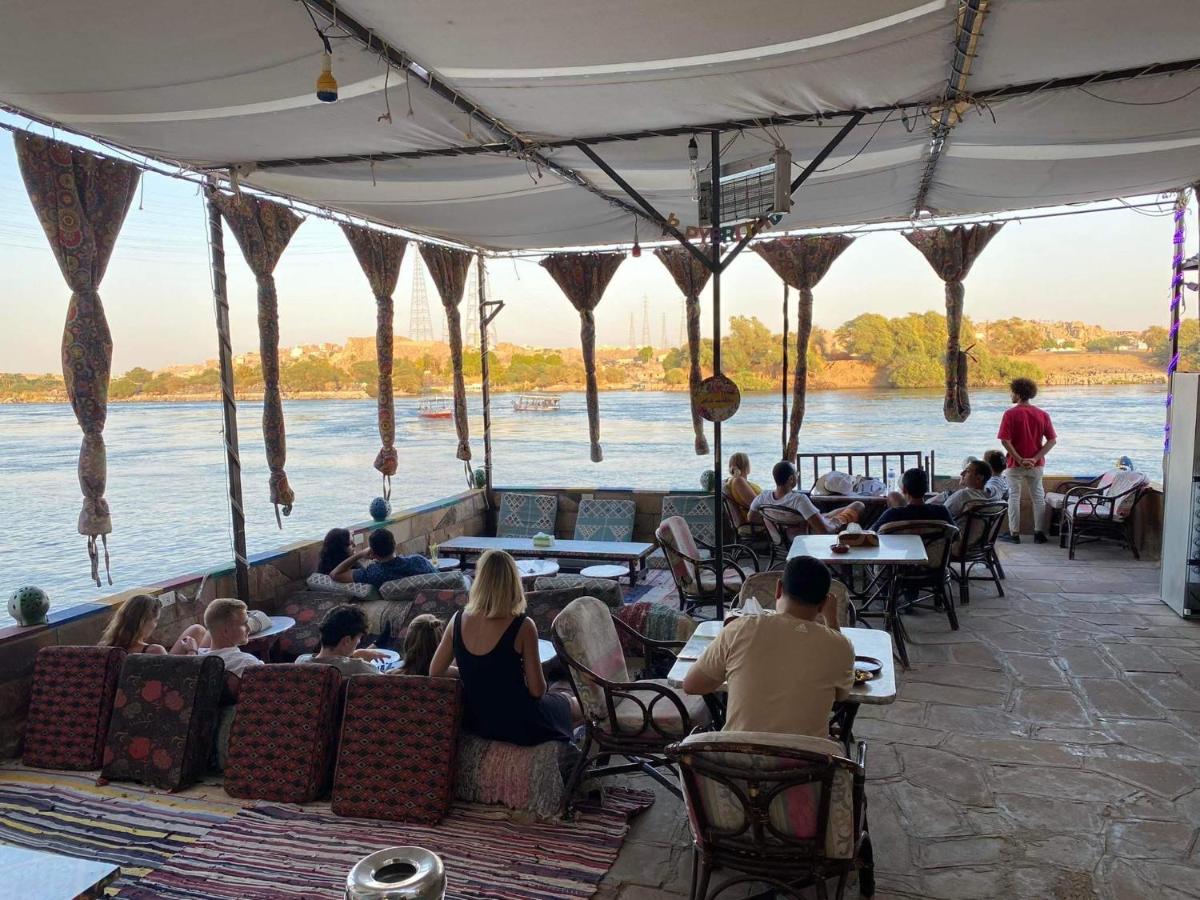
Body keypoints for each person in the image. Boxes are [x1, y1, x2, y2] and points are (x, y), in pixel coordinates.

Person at [682, 555, 853, 737]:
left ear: (778, 589)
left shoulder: (740, 628)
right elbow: (841, 696)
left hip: (738, 752)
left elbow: (692, 685)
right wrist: (832, 620)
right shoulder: (840, 646)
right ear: (823, 603)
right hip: (807, 754)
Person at [429, 549, 579, 745]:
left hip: (477, 720)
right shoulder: (523, 626)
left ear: (479, 580)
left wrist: (474, 673)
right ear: (513, 582)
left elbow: (436, 671)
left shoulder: (456, 620)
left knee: (561, 704)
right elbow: (537, 691)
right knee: (570, 703)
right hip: (518, 722)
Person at [998, 377, 1057, 544]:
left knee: (1013, 497)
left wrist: (1019, 459)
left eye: (1011, 392)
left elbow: (1005, 441)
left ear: (1017, 393)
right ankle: (1039, 533)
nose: (1011, 395)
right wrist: (1034, 459)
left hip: (1014, 465)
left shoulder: (1010, 414)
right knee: (1038, 497)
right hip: (1036, 465)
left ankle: (1014, 533)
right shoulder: (1042, 414)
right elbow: (1052, 441)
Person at [748, 460, 864, 537]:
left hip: (784, 539)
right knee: (858, 505)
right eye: (797, 474)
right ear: (791, 479)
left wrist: (776, 522)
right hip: (809, 537)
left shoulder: (762, 498)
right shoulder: (798, 500)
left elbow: (751, 518)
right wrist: (838, 522)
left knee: (837, 511)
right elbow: (823, 531)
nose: (798, 477)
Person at [97, 593, 205, 656]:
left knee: (196, 630)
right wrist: (192, 651)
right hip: (154, 687)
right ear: (143, 622)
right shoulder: (155, 651)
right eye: (155, 621)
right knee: (198, 635)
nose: (155, 626)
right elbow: (174, 680)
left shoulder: (103, 647)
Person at [295, 605, 389, 676]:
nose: (359, 642)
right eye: (359, 637)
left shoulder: (300, 661)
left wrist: (355, 654)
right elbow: (388, 682)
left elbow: (332, 659)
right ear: (347, 640)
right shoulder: (359, 668)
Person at [329, 528, 436, 586]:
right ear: (394, 544)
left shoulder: (373, 574)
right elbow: (438, 578)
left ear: (373, 553)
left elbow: (334, 574)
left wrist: (360, 554)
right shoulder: (418, 561)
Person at [199, 598, 263, 680]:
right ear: (226, 631)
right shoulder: (246, 662)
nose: (248, 628)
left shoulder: (198, 657)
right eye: (244, 623)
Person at [876, 468, 954, 529]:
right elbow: (955, 534)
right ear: (926, 489)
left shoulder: (892, 514)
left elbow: (872, 535)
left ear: (904, 490)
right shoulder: (942, 512)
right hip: (933, 545)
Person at [929, 458, 991, 531]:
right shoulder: (986, 497)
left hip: (953, 536)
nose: (961, 473)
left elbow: (941, 514)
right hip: (976, 537)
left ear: (979, 478)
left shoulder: (964, 495)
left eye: (967, 471)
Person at [724, 452, 762, 526]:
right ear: (746, 466)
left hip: (763, 514)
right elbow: (756, 504)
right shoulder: (739, 481)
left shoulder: (737, 481)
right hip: (758, 519)